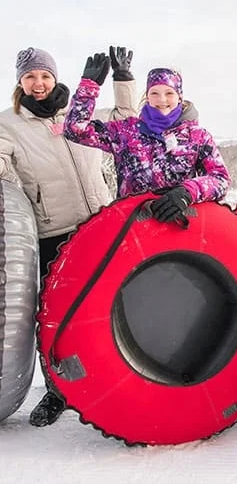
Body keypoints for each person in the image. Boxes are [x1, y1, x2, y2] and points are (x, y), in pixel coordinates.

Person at [0, 46, 137, 427]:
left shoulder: (79, 112)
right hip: (51, 230)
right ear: (20, 82)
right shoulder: (8, 123)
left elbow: (126, 122)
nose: (38, 83)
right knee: (55, 315)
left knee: (113, 303)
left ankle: (119, 376)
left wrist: (122, 80)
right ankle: (57, 390)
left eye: (44, 75)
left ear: (54, 77)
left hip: (98, 223)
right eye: (30, 77)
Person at [64, 56, 230, 223]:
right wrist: (88, 88)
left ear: (179, 96)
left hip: (179, 227)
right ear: (147, 96)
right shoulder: (126, 132)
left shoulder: (197, 136)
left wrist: (188, 192)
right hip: (132, 226)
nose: (162, 100)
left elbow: (220, 179)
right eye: (155, 93)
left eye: (169, 93)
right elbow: (75, 130)